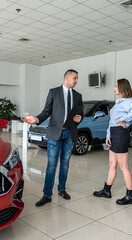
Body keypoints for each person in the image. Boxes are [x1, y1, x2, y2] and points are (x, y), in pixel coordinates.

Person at [24, 69, 84, 207]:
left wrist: (80, 118)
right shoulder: (54, 92)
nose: (76, 81)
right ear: (67, 78)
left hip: (70, 133)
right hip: (55, 133)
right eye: (74, 78)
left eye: (77, 78)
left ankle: (62, 189)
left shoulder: (78, 96)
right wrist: (36, 119)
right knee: (51, 165)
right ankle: (47, 195)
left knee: (65, 164)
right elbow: (47, 111)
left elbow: (80, 114)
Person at [93, 78, 132, 205]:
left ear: (123, 88)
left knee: (123, 166)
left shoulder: (129, 102)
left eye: (116, 86)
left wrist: (123, 119)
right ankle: (106, 191)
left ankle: (130, 196)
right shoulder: (118, 103)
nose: (114, 88)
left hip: (120, 134)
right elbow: (111, 121)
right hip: (113, 133)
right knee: (112, 164)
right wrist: (108, 135)